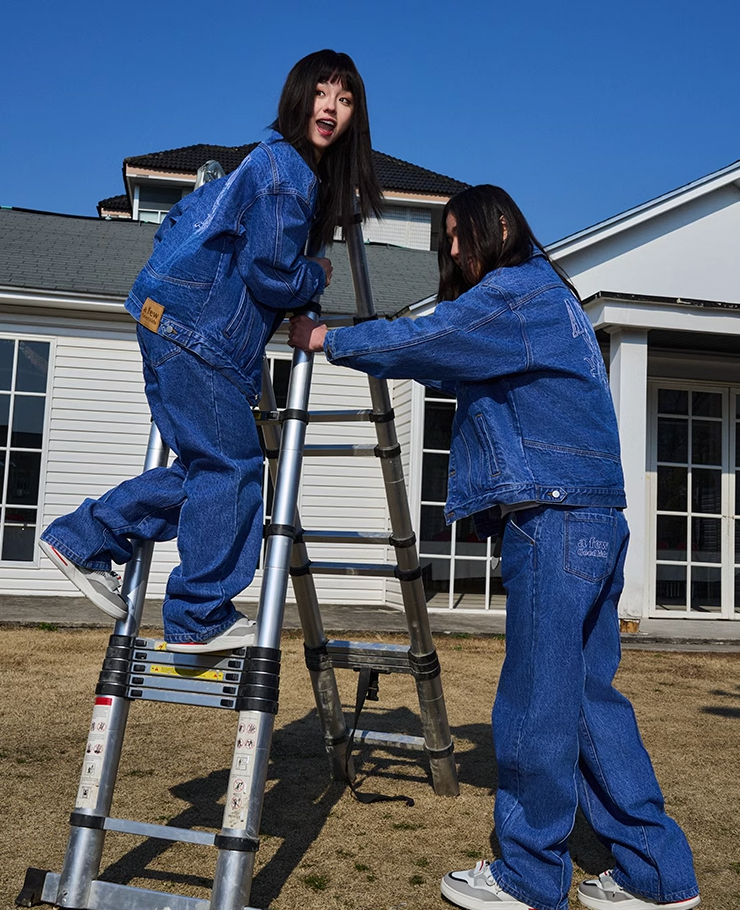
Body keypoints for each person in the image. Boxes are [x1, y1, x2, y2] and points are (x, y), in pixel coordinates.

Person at [288, 185, 700, 910]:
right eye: (446, 239)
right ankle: (657, 874)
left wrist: (327, 340)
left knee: (537, 701)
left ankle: (530, 876)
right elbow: (445, 361)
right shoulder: (550, 299)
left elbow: (427, 341)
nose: (452, 249)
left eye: (458, 234)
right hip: (593, 519)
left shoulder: (513, 294)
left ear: (500, 224)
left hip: (553, 521)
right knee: (587, 702)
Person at [39, 49, 382, 654]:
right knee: (234, 470)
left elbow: (183, 229)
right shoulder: (287, 172)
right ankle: (197, 614)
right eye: (321, 93)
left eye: (345, 98)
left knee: (208, 472)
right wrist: (315, 274)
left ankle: (86, 538)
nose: (330, 107)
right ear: (297, 98)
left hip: (167, 321)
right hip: (199, 335)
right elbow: (269, 271)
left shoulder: (258, 165)